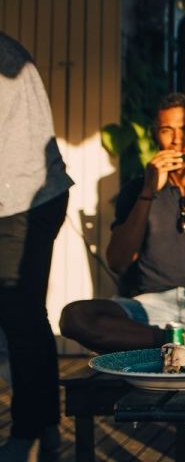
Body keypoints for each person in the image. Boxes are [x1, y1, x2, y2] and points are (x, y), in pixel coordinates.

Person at [59, 93, 185, 353]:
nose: (177, 140)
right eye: (167, 130)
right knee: (75, 317)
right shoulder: (136, 190)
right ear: (155, 134)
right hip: (150, 308)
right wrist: (149, 191)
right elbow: (118, 261)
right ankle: (178, 341)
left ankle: (184, 341)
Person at [0, 33, 73, 461]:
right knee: (24, 315)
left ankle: (28, 431)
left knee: (19, 315)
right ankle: (45, 426)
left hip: (26, 199)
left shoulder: (5, 58)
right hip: (26, 194)